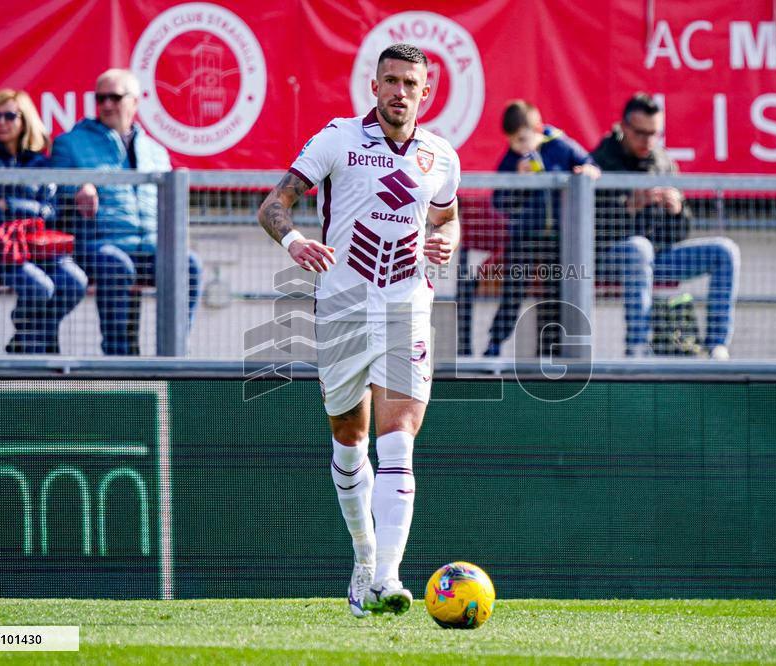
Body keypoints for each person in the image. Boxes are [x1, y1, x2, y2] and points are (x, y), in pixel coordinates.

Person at [257, 43, 460, 618]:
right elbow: (274, 204)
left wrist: (446, 241)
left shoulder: (441, 156)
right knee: (350, 437)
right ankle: (365, 556)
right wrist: (295, 242)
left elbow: (447, 217)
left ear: (426, 92)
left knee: (399, 439)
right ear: (374, 86)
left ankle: (389, 577)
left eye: (410, 83)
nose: (400, 91)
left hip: (407, 306)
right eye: (390, 81)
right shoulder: (338, 139)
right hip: (343, 305)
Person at [50, 68, 202, 355]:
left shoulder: (155, 150)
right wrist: (77, 187)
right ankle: (118, 357)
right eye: (101, 98)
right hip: (99, 247)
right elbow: (51, 191)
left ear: (135, 101)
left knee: (189, 263)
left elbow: (169, 202)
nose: (107, 104)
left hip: (150, 248)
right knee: (116, 263)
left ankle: (176, 354)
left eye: (115, 97)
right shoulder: (70, 143)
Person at [590, 93, 740, 359]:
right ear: (624, 127)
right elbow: (587, 229)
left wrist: (676, 211)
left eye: (655, 134)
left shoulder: (663, 162)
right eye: (640, 133)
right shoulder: (599, 161)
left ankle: (717, 346)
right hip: (608, 259)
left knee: (725, 251)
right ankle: (637, 349)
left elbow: (679, 234)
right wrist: (628, 208)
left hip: (656, 258)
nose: (648, 141)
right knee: (639, 248)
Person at [0, 89, 88, 354]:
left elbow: (51, 211)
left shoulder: (40, 162)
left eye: (9, 116)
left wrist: (9, 204)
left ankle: (28, 337)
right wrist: (32, 211)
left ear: (25, 119)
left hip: (39, 248)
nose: (1, 122)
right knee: (41, 286)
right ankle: (34, 345)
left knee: (75, 281)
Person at [484, 100, 600, 357]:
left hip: (558, 239)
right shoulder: (512, 159)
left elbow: (590, 164)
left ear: (537, 128)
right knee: (513, 291)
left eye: (522, 139)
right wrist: (517, 181)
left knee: (554, 294)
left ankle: (548, 353)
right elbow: (499, 201)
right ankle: (495, 343)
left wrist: (588, 171)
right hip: (523, 237)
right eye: (512, 141)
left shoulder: (561, 145)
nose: (518, 147)